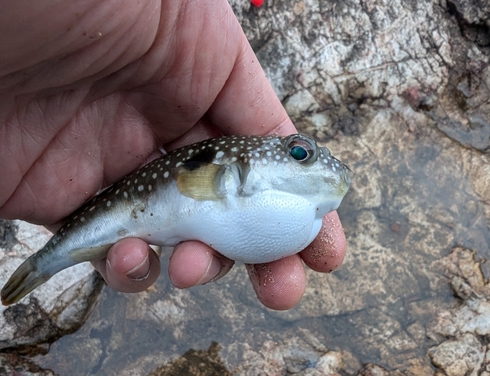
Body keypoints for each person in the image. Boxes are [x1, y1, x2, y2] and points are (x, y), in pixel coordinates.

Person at [0, 0, 347, 310]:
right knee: (135, 260)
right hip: (129, 202)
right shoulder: (226, 171)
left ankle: (42, 264)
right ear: (241, 165)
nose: (305, 159)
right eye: (300, 152)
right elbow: (190, 179)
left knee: (152, 263)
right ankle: (42, 264)